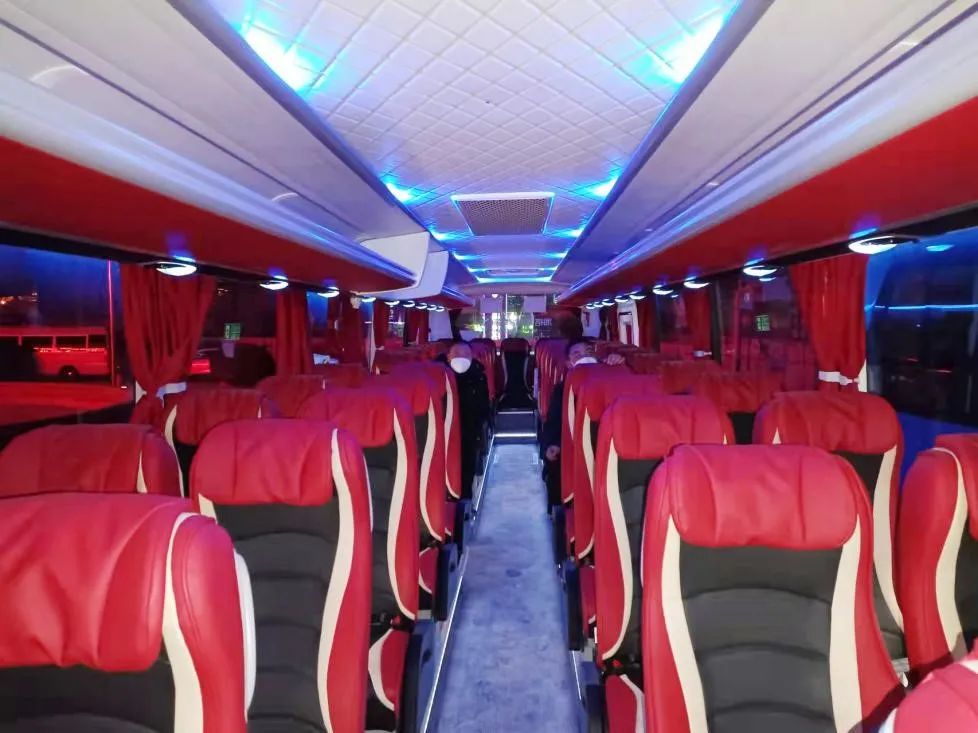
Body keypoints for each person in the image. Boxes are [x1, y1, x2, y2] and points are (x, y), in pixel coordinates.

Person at [541, 338, 624, 467]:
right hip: (575, 444)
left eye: (589, 352)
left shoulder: (610, 378)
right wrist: (552, 444)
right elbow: (554, 421)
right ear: (569, 364)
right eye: (577, 354)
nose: (584, 357)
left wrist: (619, 364)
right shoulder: (563, 389)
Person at [436, 340, 491, 500]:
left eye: (466, 354)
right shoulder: (436, 376)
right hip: (442, 430)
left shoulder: (478, 376)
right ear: (448, 357)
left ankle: (464, 500)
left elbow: (483, 405)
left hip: (468, 429)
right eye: (457, 354)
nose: (461, 358)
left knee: (466, 466)